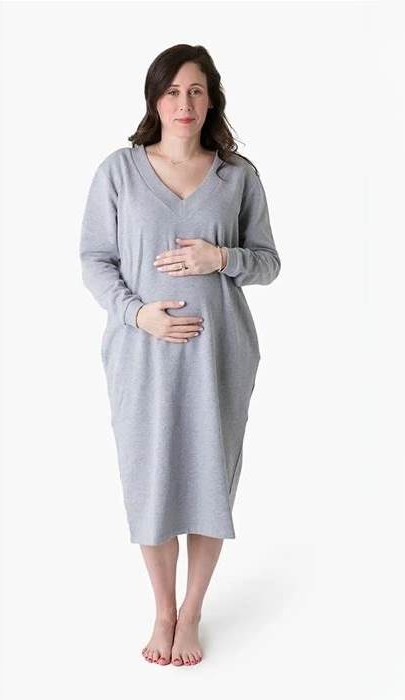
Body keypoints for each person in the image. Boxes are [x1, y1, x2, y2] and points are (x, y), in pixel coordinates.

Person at [79, 44, 281, 667]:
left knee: (209, 480)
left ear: (212, 99)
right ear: (154, 99)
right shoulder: (119, 171)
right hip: (141, 359)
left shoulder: (236, 176)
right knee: (152, 481)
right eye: (172, 91)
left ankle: (191, 612)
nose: (184, 103)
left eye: (195, 90)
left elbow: (268, 263)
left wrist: (220, 257)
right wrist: (138, 314)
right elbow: (95, 259)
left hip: (219, 357)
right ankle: (162, 609)